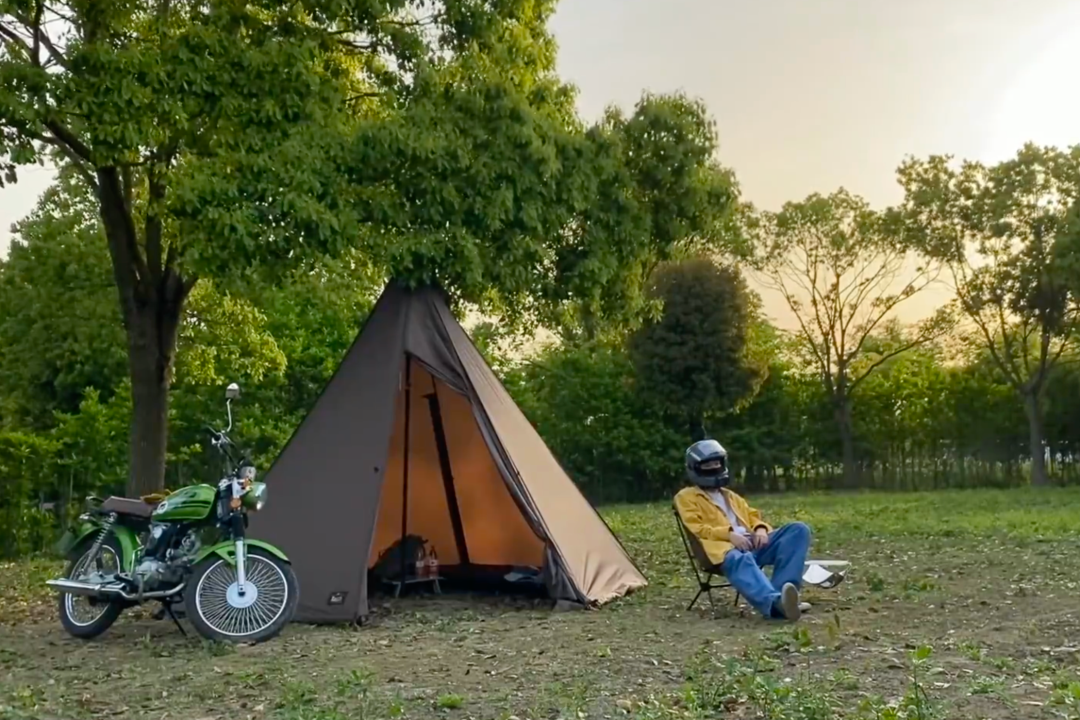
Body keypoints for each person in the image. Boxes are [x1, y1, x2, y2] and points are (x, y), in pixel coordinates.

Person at [674, 439, 812, 621]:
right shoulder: (686, 497)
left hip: (752, 543)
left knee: (798, 530)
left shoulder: (730, 495)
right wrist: (729, 535)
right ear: (695, 468)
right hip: (723, 552)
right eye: (708, 464)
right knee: (740, 557)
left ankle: (785, 597)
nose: (714, 467)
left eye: (717, 463)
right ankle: (775, 605)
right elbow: (696, 528)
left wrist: (761, 529)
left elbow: (752, 515)